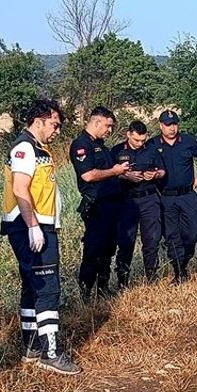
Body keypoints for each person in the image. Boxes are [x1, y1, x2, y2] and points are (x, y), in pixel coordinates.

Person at [1, 99, 81, 375]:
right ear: (39, 120)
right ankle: (51, 352)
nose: (57, 130)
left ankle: (32, 347)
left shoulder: (37, 147)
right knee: (48, 287)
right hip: (30, 227)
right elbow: (21, 189)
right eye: (55, 124)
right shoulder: (25, 147)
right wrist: (33, 225)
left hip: (36, 225)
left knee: (32, 285)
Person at [70, 107, 131, 299]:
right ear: (96, 122)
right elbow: (88, 175)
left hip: (112, 204)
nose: (110, 130)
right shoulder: (82, 145)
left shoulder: (101, 145)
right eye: (108, 126)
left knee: (108, 249)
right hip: (96, 206)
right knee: (94, 249)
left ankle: (103, 288)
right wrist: (115, 171)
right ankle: (86, 290)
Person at [152, 110, 197, 284]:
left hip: (187, 195)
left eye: (174, 124)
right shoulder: (153, 144)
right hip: (166, 197)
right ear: (161, 125)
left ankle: (184, 259)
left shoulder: (188, 141)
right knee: (172, 235)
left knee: (193, 232)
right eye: (168, 125)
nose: (172, 128)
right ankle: (179, 272)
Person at [111, 121, 166, 286]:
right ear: (128, 134)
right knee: (126, 241)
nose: (140, 143)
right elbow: (109, 174)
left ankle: (151, 278)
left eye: (143, 140)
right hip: (127, 200)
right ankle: (123, 281)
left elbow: (162, 170)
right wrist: (126, 176)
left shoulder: (151, 150)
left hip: (149, 199)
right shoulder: (116, 151)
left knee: (152, 240)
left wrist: (155, 175)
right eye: (136, 140)